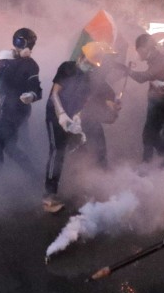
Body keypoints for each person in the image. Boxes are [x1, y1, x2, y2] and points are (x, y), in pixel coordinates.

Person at [42, 41, 117, 213]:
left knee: (86, 150)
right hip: (55, 115)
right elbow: (54, 94)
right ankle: (49, 197)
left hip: (76, 119)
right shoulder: (67, 68)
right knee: (57, 151)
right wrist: (62, 115)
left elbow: (107, 95)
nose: (90, 67)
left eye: (93, 65)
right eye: (89, 63)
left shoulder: (93, 76)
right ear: (81, 57)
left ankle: (88, 189)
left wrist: (112, 104)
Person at [0, 27, 42, 177]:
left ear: (28, 45)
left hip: (17, 112)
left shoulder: (30, 65)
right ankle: (35, 175)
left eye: (19, 42)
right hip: (6, 111)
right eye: (15, 41)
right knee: (10, 147)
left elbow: (36, 89)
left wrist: (32, 95)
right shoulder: (3, 70)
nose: (16, 46)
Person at [127, 32, 164, 161]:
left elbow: (144, 77)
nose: (139, 54)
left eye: (139, 51)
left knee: (153, 133)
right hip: (161, 100)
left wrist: (128, 71)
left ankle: (157, 159)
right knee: (156, 133)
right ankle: (157, 159)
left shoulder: (161, 60)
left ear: (143, 49)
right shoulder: (157, 59)